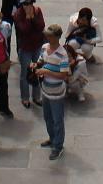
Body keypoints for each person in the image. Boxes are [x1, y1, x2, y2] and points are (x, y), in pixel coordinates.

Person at [35, 23, 72, 158]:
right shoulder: (44, 48)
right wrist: (36, 65)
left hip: (57, 93)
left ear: (57, 37)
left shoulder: (62, 55)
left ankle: (58, 146)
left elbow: (64, 75)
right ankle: (52, 138)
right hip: (45, 90)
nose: (47, 38)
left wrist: (46, 71)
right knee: (47, 117)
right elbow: (40, 61)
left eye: (50, 36)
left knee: (57, 120)